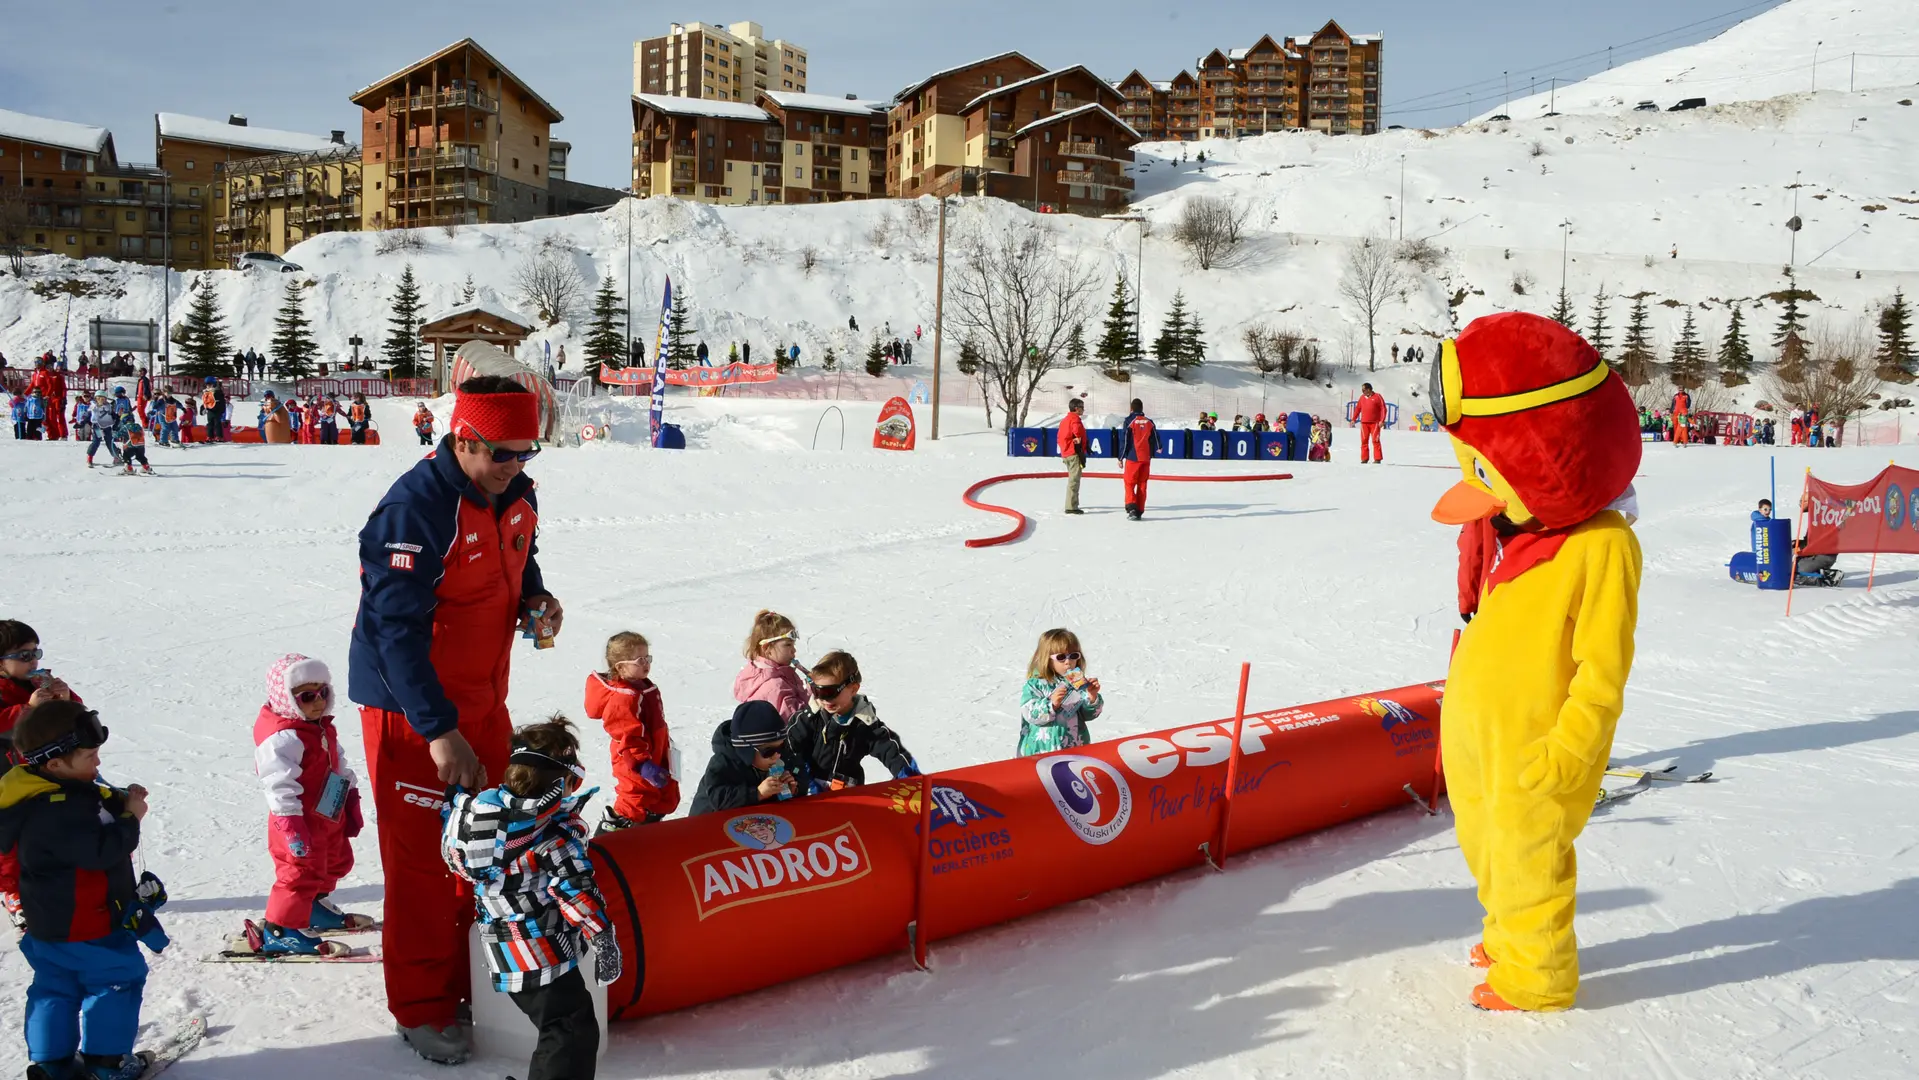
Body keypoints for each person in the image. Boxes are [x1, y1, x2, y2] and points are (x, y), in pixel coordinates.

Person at [1430, 312, 1641, 1013]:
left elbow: (1602, 666)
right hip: (1481, 731)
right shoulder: (1517, 530)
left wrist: (1572, 747)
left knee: (1527, 853)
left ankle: (1537, 976)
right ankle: (1507, 934)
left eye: (1490, 470)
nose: (1481, 490)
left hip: (1538, 741)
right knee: (1484, 840)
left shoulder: (1601, 546)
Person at [348, 376, 562, 1065]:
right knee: (422, 867)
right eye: (503, 452)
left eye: (527, 452)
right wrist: (438, 730)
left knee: (488, 849)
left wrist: (537, 598)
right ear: (463, 439)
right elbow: (393, 632)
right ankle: (422, 1005)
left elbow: (519, 558)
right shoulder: (415, 510)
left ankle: (474, 976)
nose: (515, 465)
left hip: (483, 698)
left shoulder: (516, 492)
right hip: (412, 713)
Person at [442, 716, 621, 1080]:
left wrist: (459, 797)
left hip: (503, 950)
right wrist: (603, 938)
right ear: (559, 785)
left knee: (563, 1026)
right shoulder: (552, 836)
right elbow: (575, 890)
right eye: (574, 782)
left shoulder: (481, 822)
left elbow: (454, 839)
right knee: (570, 1029)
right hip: (539, 949)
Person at [0, 701, 164, 1080]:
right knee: (115, 982)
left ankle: (51, 1064)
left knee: (55, 987)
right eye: (89, 756)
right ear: (55, 764)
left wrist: (118, 800)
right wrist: (130, 817)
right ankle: (107, 1063)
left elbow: (89, 807)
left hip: (46, 926)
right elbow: (100, 851)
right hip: (90, 923)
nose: (98, 764)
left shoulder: (34, 791)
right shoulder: (59, 809)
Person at [253, 653, 369, 956]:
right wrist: (291, 826)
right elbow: (278, 785)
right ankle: (281, 928)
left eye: (323, 693)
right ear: (286, 698)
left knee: (333, 860)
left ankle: (314, 906)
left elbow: (338, 761)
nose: (318, 702)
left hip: (326, 814)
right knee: (298, 872)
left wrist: (350, 798)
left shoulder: (318, 726)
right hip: (297, 820)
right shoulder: (283, 738)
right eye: (306, 696)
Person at [584, 632, 678, 833]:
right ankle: (612, 830)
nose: (646, 663)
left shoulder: (643, 687)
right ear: (620, 666)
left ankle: (645, 829)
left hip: (655, 751)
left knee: (662, 796)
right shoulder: (623, 698)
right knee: (635, 798)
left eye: (648, 658)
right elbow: (626, 735)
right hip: (632, 761)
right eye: (640, 660)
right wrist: (642, 764)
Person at [789, 651, 919, 789]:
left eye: (830, 692)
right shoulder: (809, 719)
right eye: (816, 691)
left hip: (847, 792)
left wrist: (905, 772)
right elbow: (788, 748)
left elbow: (890, 750)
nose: (824, 699)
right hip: (807, 789)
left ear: (853, 689)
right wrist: (803, 778)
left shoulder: (864, 724)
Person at [691, 700, 803, 814]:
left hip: (758, 822)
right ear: (746, 750)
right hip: (710, 822)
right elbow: (718, 799)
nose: (777, 755)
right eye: (768, 751)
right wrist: (757, 793)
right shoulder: (723, 763)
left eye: (781, 747)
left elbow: (799, 770)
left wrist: (792, 789)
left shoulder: (779, 759)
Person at [1017, 628, 1103, 756]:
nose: (1068, 662)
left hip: (1075, 747)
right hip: (1041, 750)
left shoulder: (1078, 683)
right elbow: (1029, 713)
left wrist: (1092, 696)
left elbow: (1089, 715)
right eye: (1061, 657)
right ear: (1047, 659)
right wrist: (1051, 704)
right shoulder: (1035, 684)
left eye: (1073, 656)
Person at [0, 620, 79, 736]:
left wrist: (66, 698)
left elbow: (78, 713)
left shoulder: (40, 681)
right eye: (25, 656)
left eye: (35, 653)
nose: (33, 661)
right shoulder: (3, 692)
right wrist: (29, 708)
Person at [732, 610, 807, 722]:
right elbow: (795, 722)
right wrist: (814, 695)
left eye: (793, 644)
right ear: (767, 648)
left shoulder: (758, 674)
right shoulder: (775, 686)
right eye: (788, 645)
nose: (793, 650)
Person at [1118, 398, 1155, 521]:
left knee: (1129, 483)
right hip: (1146, 458)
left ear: (1131, 409)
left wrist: (1120, 457)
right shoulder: (1150, 422)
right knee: (1142, 484)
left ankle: (1132, 507)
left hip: (1133, 457)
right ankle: (1140, 510)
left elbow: (1125, 440)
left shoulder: (1129, 421)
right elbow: (1156, 440)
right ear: (1142, 409)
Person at [1057, 398, 1088, 515]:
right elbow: (1078, 433)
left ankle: (1072, 503)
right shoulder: (1075, 420)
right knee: (1074, 480)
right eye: (1082, 407)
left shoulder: (1065, 420)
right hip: (1073, 453)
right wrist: (1081, 445)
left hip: (1066, 453)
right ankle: (1071, 506)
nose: (1083, 410)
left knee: (1072, 478)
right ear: (1076, 408)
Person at [1356, 382, 1385, 464]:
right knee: (1364, 440)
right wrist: (1353, 419)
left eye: (1364, 390)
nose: (1363, 391)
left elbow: (1383, 408)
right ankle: (1364, 459)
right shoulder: (1362, 398)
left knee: (1375, 440)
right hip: (1364, 423)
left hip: (1375, 423)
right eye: (1362, 390)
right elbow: (1358, 408)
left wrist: (1382, 420)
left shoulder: (1377, 396)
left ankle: (1377, 458)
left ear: (1369, 389)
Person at [86, 395, 118, 467]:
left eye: (103, 399)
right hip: (97, 426)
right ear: (96, 399)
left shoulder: (108, 406)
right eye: (99, 399)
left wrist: (116, 418)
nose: (101, 400)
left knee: (109, 441)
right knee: (96, 441)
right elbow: (88, 414)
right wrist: (82, 422)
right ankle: (89, 458)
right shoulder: (93, 406)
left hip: (107, 426)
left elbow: (113, 415)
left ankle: (116, 457)